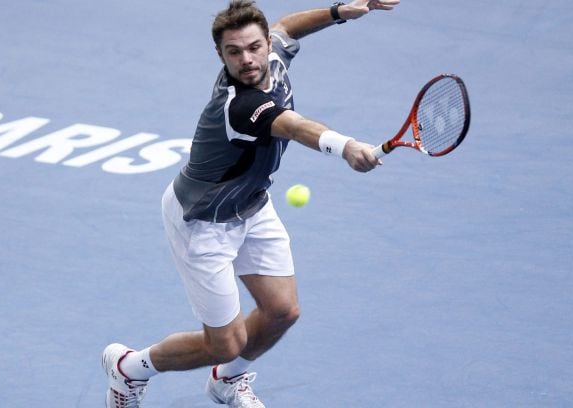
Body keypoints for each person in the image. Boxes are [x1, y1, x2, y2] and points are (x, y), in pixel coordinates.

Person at [102, 1, 399, 406]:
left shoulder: (271, 52)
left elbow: (287, 28)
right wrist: (345, 146)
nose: (247, 59)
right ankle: (128, 369)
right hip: (202, 223)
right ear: (220, 56)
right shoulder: (238, 106)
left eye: (254, 47)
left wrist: (339, 11)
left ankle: (227, 382)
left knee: (282, 311)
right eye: (234, 52)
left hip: (253, 206)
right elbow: (292, 126)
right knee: (225, 343)